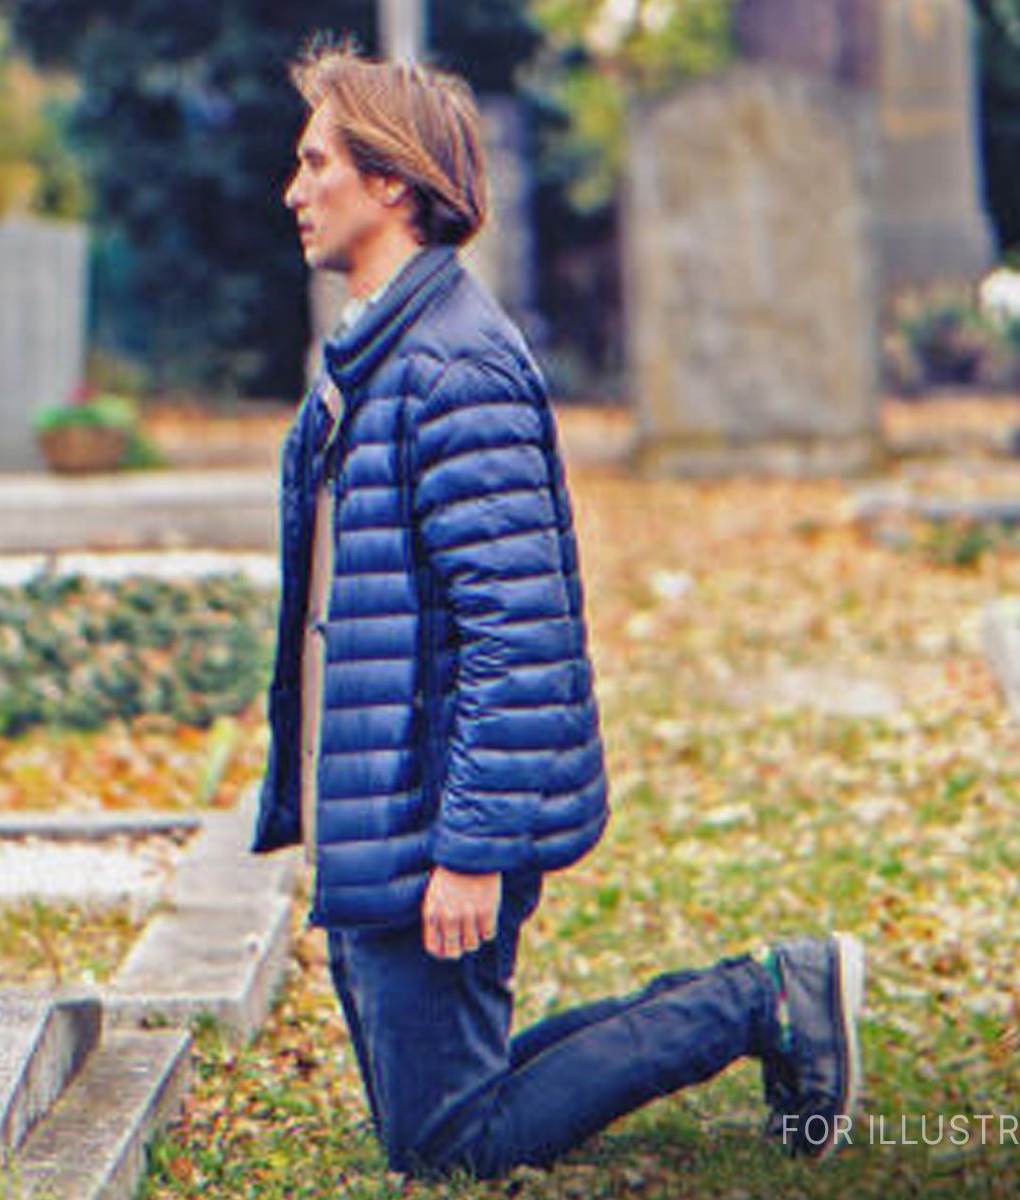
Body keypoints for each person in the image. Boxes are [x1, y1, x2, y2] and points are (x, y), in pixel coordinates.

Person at [251, 42, 869, 1181]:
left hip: (431, 809)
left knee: (451, 1146)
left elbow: (519, 638)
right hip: (386, 803)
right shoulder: (380, 357)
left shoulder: (454, 369)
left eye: (315, 163)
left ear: (391, 182)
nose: (294, 191)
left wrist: (471, 850)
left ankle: (758, 1000)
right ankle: (768, 991)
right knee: (441, 1124)